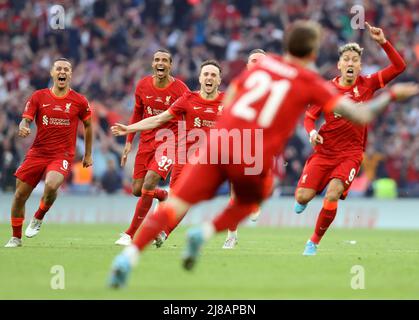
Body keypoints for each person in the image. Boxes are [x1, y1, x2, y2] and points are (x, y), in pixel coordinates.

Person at [108, 20, 418, 287]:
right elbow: (361, 115)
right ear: (312, 53)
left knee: (176, 203)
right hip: (245, 152)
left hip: (217, 143)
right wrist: (391, 95)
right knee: (253, 199)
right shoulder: (312, 83)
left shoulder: (260, 68)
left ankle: (129, 256)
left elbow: (232, 97)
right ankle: (204, 232)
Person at [294, 22, 406, 255]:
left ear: (360, 65)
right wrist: (312, 133)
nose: (351, 63)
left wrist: (383, 42)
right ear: (339, 65)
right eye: (346, 59)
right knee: (303, 197)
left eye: (355, 60)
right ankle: (305, 196)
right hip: (324, 152)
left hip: (351, 154)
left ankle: (313, 242)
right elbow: (308, 118)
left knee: (333, 193)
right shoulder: (325, 89)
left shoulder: (368, 84)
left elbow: (399, 66)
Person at [112, 60, 224, 247]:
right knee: (159, 194)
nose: (209, 78)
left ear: (219, 80)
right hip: (183, 156)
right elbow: (158, 119)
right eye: (206, 74)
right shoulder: (188, 99)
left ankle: (162, 232)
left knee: (185, 198)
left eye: (213, 75)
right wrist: (129, 129)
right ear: (200, 78)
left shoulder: (227, 101)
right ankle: (162, 206)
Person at [4, 58, 93, 247]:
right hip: (38, 152)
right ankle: (16, 237)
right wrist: (23, 126)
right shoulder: (38, 96)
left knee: (52, 185)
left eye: (66, 69)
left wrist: (88, 154)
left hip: (62, 155)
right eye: (59, 69)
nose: (62, 72)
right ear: (52, 73)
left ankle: (39, 216)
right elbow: (25, 120)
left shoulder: (79, 101)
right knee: (20, 195)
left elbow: (88, 125)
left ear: (70, 74)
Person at [114, 49, 189, 246]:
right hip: (146, 142)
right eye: (157, 60)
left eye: (164, 60)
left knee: (149, 182)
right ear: (153, 64)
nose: (160, 63)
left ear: (170, 65)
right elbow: (137, 114)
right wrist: (129, 142)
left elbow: (188, 116)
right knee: (138, 190)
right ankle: (163, 195)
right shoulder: (143, 85)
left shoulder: (181, 89)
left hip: (169, 143)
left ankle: (130, 234)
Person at [222, 48, 267, 249]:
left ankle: (255, 201)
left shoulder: (275, 87)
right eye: (253, 60)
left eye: (261, 61)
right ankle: (231, 235)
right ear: (247, 65)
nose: (257, 63)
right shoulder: (238, 86)